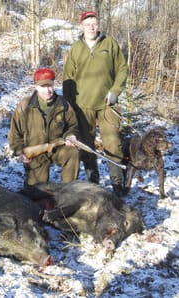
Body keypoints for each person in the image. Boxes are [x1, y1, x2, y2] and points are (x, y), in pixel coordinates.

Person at [63, 11, 128, 196]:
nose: (91, 27)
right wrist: (69, 106)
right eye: (87, 24)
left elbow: (122, 69)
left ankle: (117, 184)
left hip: (107, 104)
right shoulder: (76, 48)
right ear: (81, 27)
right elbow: (68, 78)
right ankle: (94, 181)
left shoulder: (110, 44)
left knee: (112, 143)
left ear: (98, 25)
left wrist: (115, 91)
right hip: (83, 105)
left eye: (94, 23)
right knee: (87, 144)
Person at [8, 68, 80, 186]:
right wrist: (21, 151)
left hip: (57, 148)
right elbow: (14, 133)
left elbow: (73, 126)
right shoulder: (25, 106)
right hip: (35, 152)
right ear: (36, 87)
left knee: (73, 153)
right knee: (36, 192)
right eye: (43, 87)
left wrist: (71, 135)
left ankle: (69, 191)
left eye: (50, 86)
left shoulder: (64, 104)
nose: (48, 90)